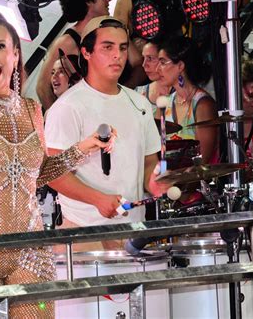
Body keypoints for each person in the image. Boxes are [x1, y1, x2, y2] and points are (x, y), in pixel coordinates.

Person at [0, 11, 112, 318]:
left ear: (15, 54)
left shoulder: (32, 110)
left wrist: (82, 149)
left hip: (29, 248)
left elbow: (36, 176)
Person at [45, 16, 166, 252]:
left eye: (122, 48)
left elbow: (149, 163)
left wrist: (159, 183)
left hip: (133, 233)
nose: (117, 55)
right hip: (83, 233)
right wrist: (97, 199)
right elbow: (53, 172)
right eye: (107, 47)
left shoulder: (139, 103)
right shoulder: (68, 106)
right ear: (86, 52)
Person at [36, 0, 144, 111]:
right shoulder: (67, 42)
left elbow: (139, 64)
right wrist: (59, 120)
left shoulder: (113, 29)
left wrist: (119, 95)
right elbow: (42, 88)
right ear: (88, 1)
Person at [156, 36, 217, 164]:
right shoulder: (164, 104)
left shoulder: (203, 105)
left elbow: (203, 160)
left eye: (162, 62)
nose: (157, 69)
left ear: (180, 66)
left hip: (194, 181)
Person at [135, 40, 173, 116]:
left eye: (150, 58)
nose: (144, 64)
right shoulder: (137, 94)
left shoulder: (182, 94)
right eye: (144, 58)